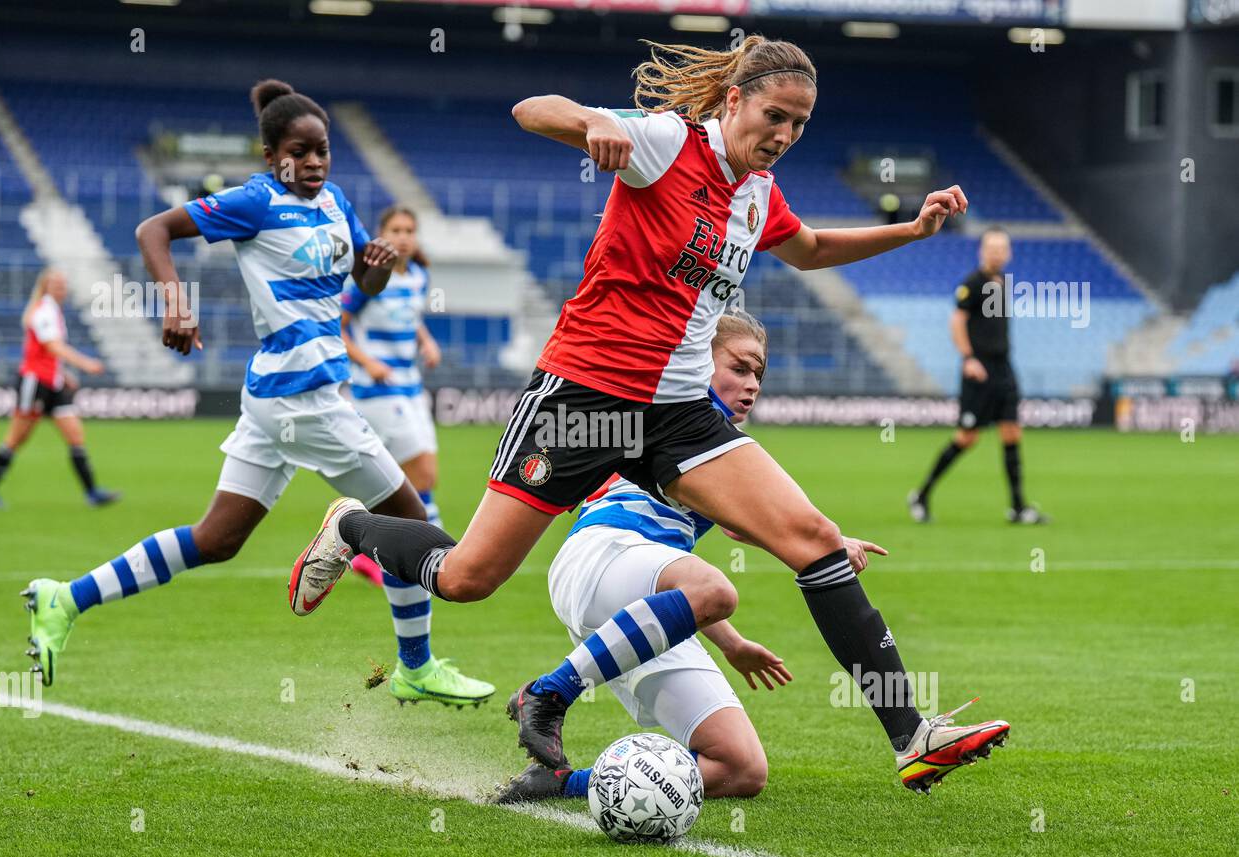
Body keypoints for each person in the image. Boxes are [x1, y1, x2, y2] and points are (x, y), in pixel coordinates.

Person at [291, 38, 1009, 794]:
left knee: (815, 540)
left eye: (800, 124)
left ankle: (912, 733)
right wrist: (592, 125)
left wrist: (911, 231)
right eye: (775, 116)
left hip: (675, 412)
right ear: (733, 101)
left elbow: (809, 247)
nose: (785, 136)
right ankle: (350, 525)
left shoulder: (758, 192)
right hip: (584, 396)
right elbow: (532, 110)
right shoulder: (666, 142)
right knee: (470, 577)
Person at [19, 79, 493, 709]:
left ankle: (65, 598)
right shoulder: (255, 201)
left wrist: (376, 263)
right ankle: (407, 649)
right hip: (306, 397)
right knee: (414, 522)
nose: (317, 161)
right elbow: (153, 230)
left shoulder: (335, 203)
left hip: (280, 398)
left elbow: (364, 285)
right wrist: (176, 300)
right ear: (273, 156)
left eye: (324, 149)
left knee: (217, 539)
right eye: (303, 150)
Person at [493, 308, 892, 803]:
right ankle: (548, 692)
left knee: (740, 769)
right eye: (739, 368)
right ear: (698, 359)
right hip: (599, 558)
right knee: (713, 588)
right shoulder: (661, 414)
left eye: (759, 375)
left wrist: (731, 644)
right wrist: (829, 548)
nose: (752, 385)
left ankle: (557, 784)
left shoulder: (719, 444)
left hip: (636, 599)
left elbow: (737, 536)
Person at [909, 227, 1048, 525]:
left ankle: (1018, 507)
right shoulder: (972, 283)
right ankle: (921, 495)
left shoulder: (1004, 284)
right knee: (967, 438)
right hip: (979, 371)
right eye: (991, 248)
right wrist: (968, 358)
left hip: (1004, 369)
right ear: (982, 251)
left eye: (1002, 248)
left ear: (1008, 253)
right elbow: (957, 320)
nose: (997, 253)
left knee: (1012, 433)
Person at [339, 205, 443, 592]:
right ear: (381, 236)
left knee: (405, 478)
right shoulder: (367, 281)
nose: (403, 236)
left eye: (409, 229)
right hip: (377, 390)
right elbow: (339, 327)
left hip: (411, 386)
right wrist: (369, 362)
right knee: (421, 473)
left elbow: (411, 317)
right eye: (395, 229)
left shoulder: (417, 276)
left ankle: (367, 549)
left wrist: (427, 341)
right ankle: (426, 547)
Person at [0, 268, 119, 509]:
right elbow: (52, 347)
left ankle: (92, 493)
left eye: (63, 285)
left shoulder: (52, 311)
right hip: (35, 383)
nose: (61, 289)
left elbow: (45, 351)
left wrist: (63, 373)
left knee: (75, 435)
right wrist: (85, 364)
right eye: (57, 285)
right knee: (16, 439)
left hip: (53, 383)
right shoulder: (44, 310)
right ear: (46, 286)